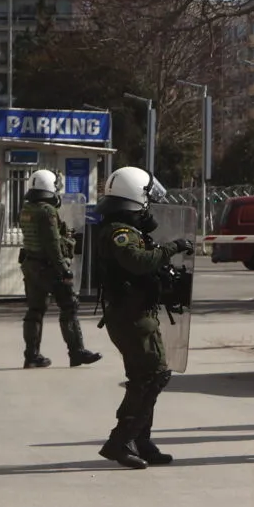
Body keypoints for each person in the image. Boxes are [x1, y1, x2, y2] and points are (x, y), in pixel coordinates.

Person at [94, 166, 193, 469]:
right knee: (151, 377)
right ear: (136, 198)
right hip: (130, 317)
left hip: (136, 314)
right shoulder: (120, 233)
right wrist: (172, 247)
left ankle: (141, 440)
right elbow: (138, 262)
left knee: (145, 377)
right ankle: (120, 441)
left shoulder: (125, 230)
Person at [18, 169, 99, 369]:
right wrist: (63, 268)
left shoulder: (27, 208)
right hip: (49, 267)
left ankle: (31, 356)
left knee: (35, 311)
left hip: (31, 265)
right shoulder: (47, 211)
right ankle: (77, 352)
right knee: (69, 307)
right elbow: (52, 242)